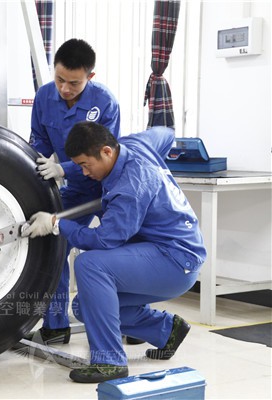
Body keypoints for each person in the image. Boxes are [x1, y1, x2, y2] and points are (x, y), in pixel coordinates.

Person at [22, 121, 206, 383]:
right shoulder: (135, 145)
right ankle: (166, 329)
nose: (84, 173)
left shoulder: (130, 188)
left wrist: (56, 224)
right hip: (171, 252)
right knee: (84, 306)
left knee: (90, 264)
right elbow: (166, 134)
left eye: (85, 165)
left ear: (107, 152)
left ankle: (110, 362)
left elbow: (104, 240)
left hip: (175, 260)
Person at [26, 38, 120, 344]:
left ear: (90, 76)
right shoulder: (44, 96)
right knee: (55, 244)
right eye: (60, 80)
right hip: (75, 190)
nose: (65, 88)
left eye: (74, 83)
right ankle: (56, 325)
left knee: (121, 250)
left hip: (109, 188)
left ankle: (132, 320)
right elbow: (39, 142)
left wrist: (63, 168)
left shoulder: (105, 102)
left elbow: (105, 155)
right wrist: (30, 169)